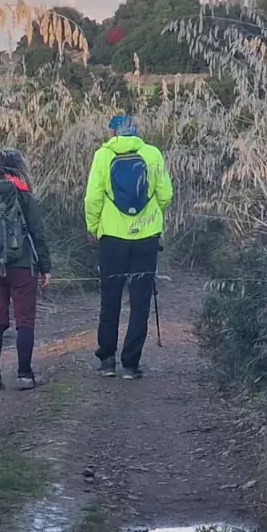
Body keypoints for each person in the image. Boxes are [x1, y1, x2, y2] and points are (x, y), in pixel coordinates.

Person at [84, 115, 173, 379]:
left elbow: (93, 198)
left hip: (111, 237)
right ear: (135, 131)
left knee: (110, 298)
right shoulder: (152, 154)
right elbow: (165, 194)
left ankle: (107, 360)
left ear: (113, 132)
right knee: (140, 301)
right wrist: (152, 217)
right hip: (146, 237)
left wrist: (93, 227)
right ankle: (131, 364)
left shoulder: (103, 155)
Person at [0, 149, 52, 391]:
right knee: (24, 321)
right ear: (19, 167)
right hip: (22, 266)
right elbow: (38, 233)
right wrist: (46, 268)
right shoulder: (23, 195)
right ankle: (24, 375)